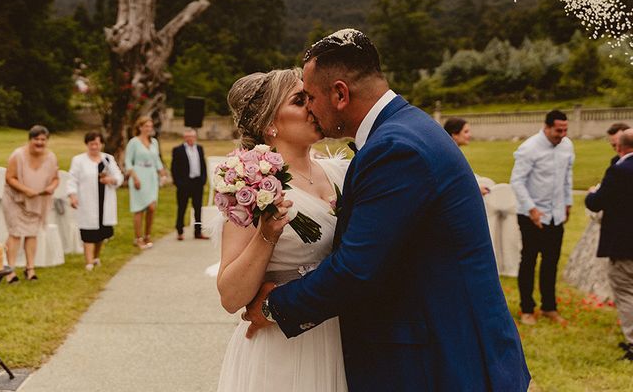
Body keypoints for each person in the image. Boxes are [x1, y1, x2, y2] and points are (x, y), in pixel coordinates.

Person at [244, 29, 530, 391]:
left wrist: (274, 306)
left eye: (311, 97)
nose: (311, 109)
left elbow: (355, 269)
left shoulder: (395, 148)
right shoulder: (405, 128)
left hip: (442, 357)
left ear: (340, 94)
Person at [216, 68, 349, 391]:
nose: (313, 106)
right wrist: (267, 236)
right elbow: (231, 297)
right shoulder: (252, 187)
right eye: (299, 100)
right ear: (269, 124)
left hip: (341, 336)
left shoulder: (340, 173)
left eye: (311, 97)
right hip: (282, 348)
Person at [510, 110, 574, 326]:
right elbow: (517, 181)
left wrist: (567, 203)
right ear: (546, 127)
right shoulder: (529, 148)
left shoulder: (567, 146)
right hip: (531, 216)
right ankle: (527, 308)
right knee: (528, 261)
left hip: (555, 215)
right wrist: (532, 209)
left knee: (551, 262)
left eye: (565, 130)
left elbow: (567, 177)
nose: (562, 134)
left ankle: (549, 307)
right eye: (558, 130)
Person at [585, 129, 633, 361]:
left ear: (620, 147)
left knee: (625, 292)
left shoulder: (619, 171)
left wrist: (592, 193)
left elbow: (596, 203)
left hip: (624, 244)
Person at [2, 125, 59, 282]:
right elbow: (9, 177)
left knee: (32, 233)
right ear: (30, 140)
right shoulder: (18, 155)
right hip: (15, 200)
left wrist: (51, 188)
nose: (40, 142)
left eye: (43, 139)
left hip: (37, 201)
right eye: (36, 139)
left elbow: (55, 178)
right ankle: (10, 272)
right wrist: (25, 190)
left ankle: (30, 269)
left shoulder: (51, 157)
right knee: (15, 233)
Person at [67, 132, 124, 271]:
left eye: (97, 143)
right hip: (88, 201)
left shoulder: (108, 159)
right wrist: (72, 195)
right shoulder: (79, 160)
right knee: (88, 232)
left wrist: (111, 180)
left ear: (101, 144)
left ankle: (96, 257)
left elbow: (119, 176)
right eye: (91, 144)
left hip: (104, 200)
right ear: (87, 145)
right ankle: (89, 262)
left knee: (101, 233)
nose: (94, 146)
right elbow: (72, 179)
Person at [124, 116, 166, 250]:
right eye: (146, 126)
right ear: (140, 127)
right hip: (139, 175)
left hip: (151, 176)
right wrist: (134, 177)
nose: (149, 128)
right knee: (139, 208)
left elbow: (157, 160)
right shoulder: (134, 142)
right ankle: (138, 238)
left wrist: (162, 172)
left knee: (152, 208)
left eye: (150, 126)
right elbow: (128, 161)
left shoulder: (154, 142)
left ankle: (148, 235)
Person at [171, 129, 208, 240]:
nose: (190, 139)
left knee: (198, 209)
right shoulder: (178, 150)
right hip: (184, 183)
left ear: (195, 137)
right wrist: (178, 183)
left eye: (192, 136)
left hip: (197, 183)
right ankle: (180, 231)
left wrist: (203, 179)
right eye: (188, 137)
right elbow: (174, 168)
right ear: (184, 138)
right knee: (182, 208)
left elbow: (203, 165)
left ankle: (198, 232)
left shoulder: (199, 148)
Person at [444, 116, 490, 195]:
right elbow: (453, 185)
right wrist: (476, 190)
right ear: (455, 134)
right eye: (466, 132)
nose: (470, 135)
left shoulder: (452, 151)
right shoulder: (450, 155)